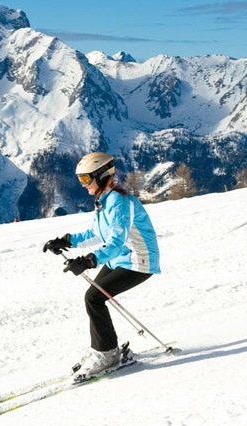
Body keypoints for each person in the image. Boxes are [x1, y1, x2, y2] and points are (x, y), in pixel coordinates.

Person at [42, 151, 161, 379]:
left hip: (139, 260)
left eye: (86, 179)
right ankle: (104, 349)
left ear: (101, 175)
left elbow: (115, 242)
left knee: (94, 298)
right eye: (80, 180)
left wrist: (88, 261)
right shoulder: (104, 200)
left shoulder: (119, 202)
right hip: (123, 257)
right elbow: (97, 234)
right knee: (93, 297)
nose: (82, 185)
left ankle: (106, 353)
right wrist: (67, 241)